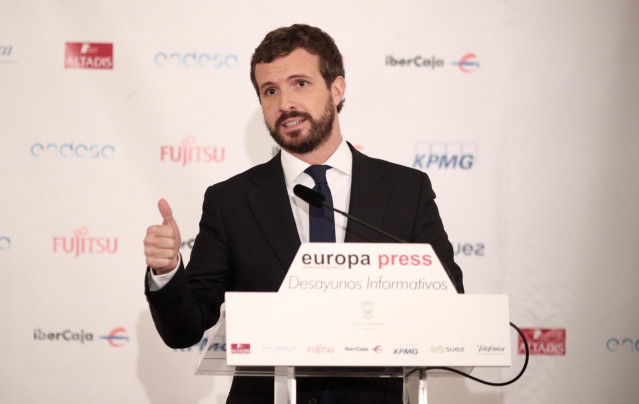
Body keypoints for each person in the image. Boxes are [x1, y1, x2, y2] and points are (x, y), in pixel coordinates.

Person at [144, 24, 464, 404]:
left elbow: (449, 303)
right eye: (270, 91)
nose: (285, 104)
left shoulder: (405, 190)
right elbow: (186, 327)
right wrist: (166, 272)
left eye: (300, 84)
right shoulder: (230, 201)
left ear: (337, 89)